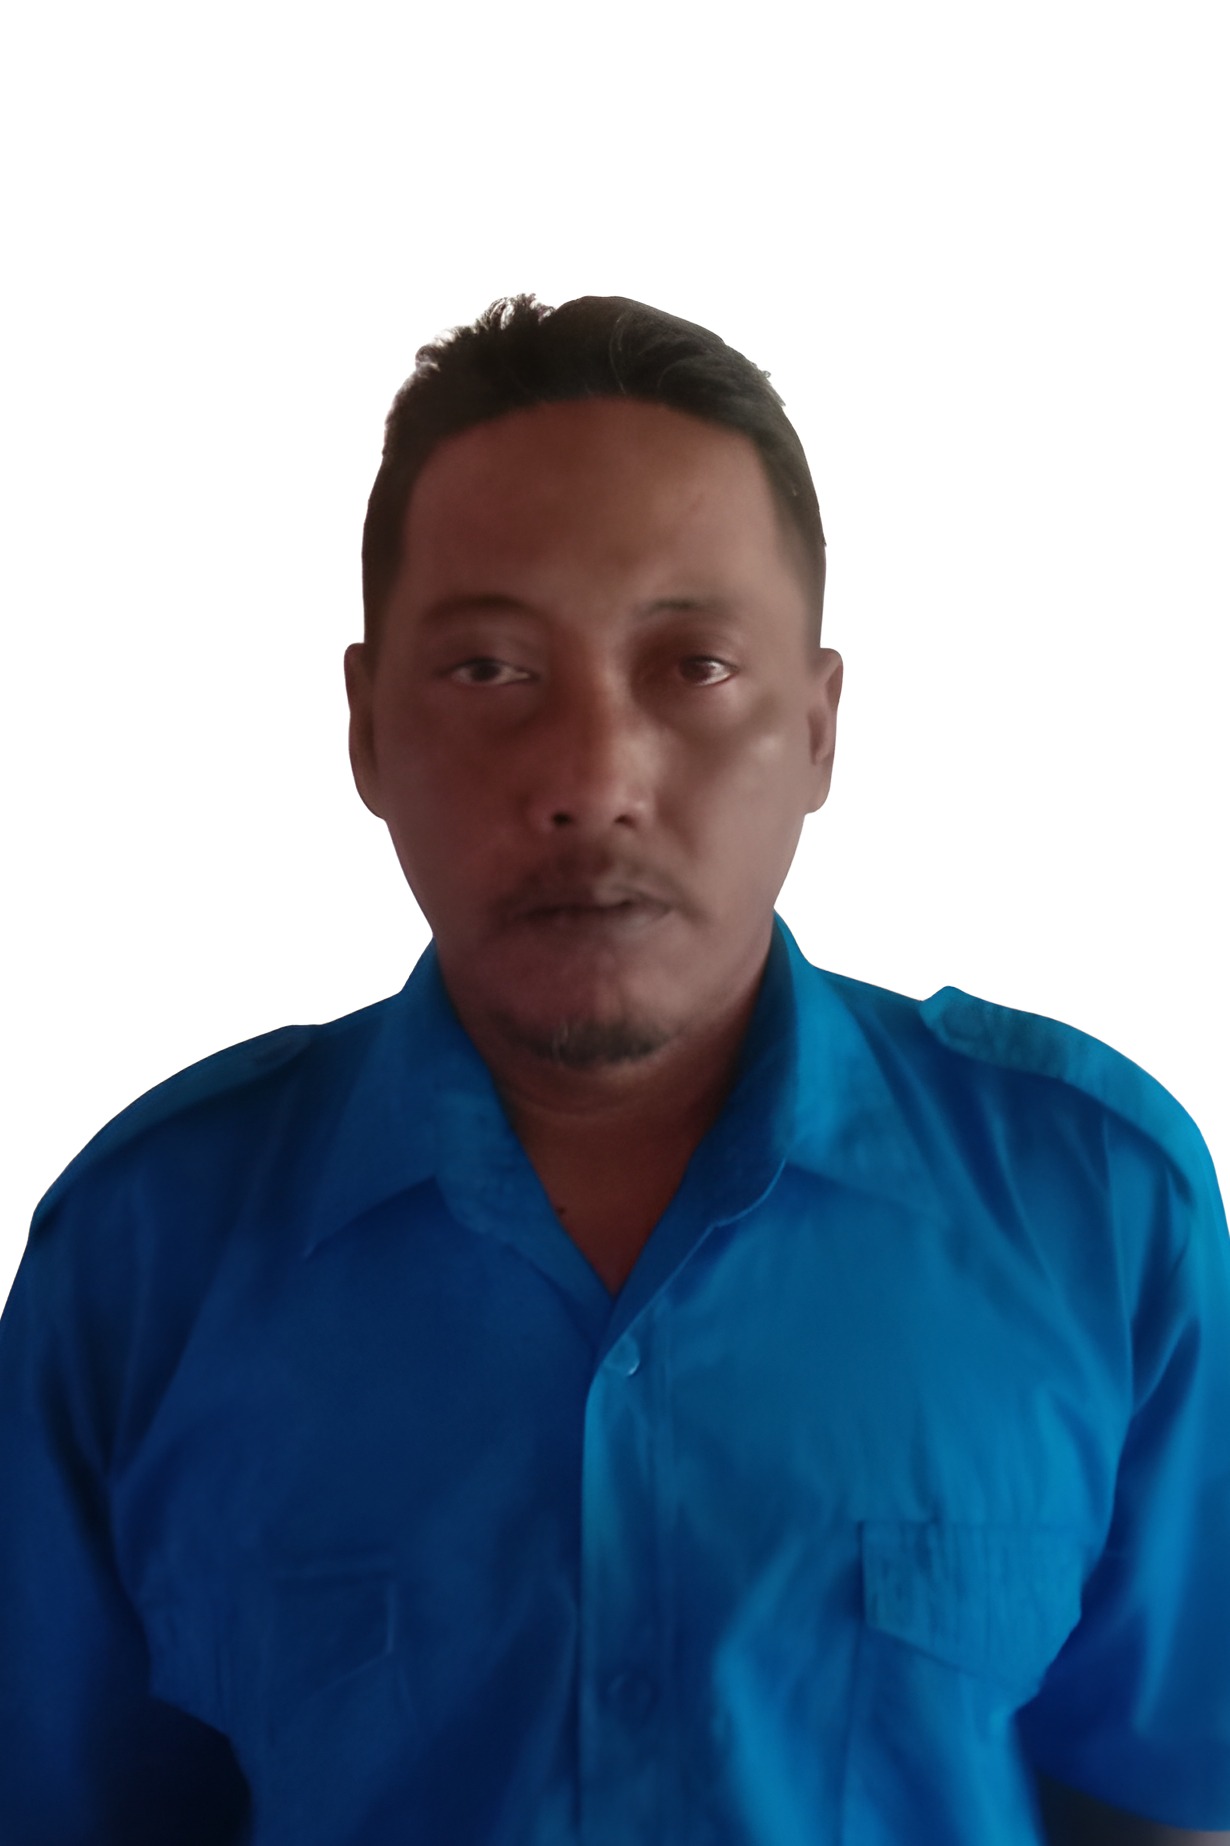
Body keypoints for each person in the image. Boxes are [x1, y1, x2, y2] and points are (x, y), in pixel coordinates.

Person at [1, 293, 1227, 1846]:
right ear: (365, 727)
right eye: (489, 669)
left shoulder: (1091, 1207)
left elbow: (1161, 1795)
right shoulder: (143, 1254)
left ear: (818, 727)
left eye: (692, 664)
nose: (591, 777)